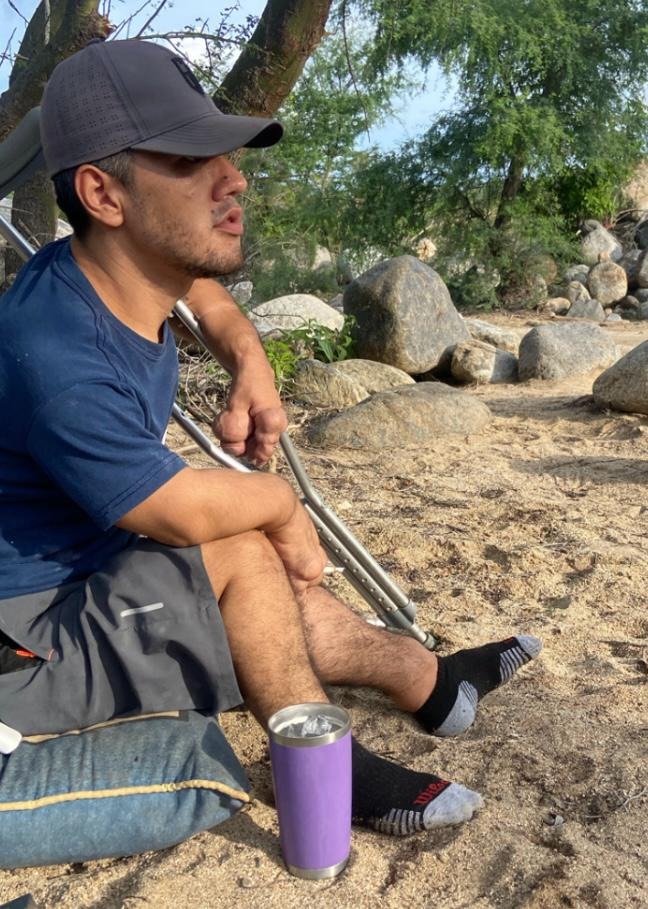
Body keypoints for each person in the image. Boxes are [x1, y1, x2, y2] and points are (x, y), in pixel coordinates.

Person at [0, 38, 541, 837]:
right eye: (190, 160)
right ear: (102, 193)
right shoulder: (52, 351)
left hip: (90, 572)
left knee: (272, 599)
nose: (235, 178)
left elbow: (207, 296)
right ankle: (330, 776)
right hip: (26, 640)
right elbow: (180, 509)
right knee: (240, 551)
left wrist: (251, 363)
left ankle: (431, 683)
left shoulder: (109, 268)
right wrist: (283, 504)